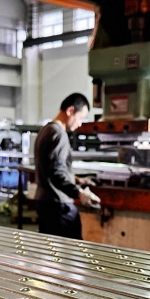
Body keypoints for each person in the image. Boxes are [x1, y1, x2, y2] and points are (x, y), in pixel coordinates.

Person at [34, 93, 101, 239]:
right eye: (81, 118)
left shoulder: (45, 130)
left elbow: (51, 167)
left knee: (50, 249)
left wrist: (77, 179)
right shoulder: (58, 134)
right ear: (70, 111)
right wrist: (79, 192)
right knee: (71, 250)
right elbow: (57, 172)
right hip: (58, 205)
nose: (80, 124)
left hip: (45, 202)